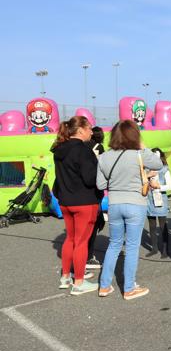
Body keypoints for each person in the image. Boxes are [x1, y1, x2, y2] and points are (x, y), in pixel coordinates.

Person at [96, 120, 162, 301]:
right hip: (135, 204)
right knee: (132, 246)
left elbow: (100, 184)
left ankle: (104, 285)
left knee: (114, 243)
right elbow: (157, 163)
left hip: (114, 204)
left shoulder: (104, 157)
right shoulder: (139, 154)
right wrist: (143, 146)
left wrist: (118, 180)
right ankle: (129, 287)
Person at [51, 116, 101, 295]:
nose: (91, 132)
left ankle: (66, 276)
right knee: (81, 242)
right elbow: (90, 178)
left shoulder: (59, 149)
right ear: (80, 130)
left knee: (71, 239)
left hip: (65, 201)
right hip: (85, 201)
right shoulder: (84, 150)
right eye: (89, 129)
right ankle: (78, 282)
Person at [145, 148, 171, 258]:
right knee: (152, 226)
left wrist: (159, 186)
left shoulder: (164, 169)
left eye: (157, 156)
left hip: (160, 200)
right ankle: (154, 248)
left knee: (163, 226)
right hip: (149, 200)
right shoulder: (147, 170)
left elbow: (170, 186)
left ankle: (165, 249)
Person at [86, 126, 106, 270]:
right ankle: (88, 256)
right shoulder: (99, 148)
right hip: (94, 189)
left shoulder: (81, 147)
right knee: (95, 223)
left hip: (79, 193)